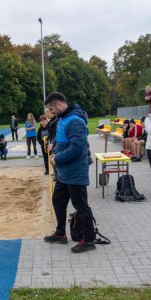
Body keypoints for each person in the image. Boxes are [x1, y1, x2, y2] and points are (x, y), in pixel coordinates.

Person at [43, 92, 96, 253]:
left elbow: (77, 148)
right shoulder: (62, 119)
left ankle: (88, 240)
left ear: (59, 105)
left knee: (81, 206)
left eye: (52, 109)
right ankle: (60, 234)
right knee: (58, 200)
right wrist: (54, 148)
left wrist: (57, 159)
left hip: (76, 172)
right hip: (64, 173)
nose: (51, 112)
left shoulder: (75, 121)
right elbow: (61, 140)